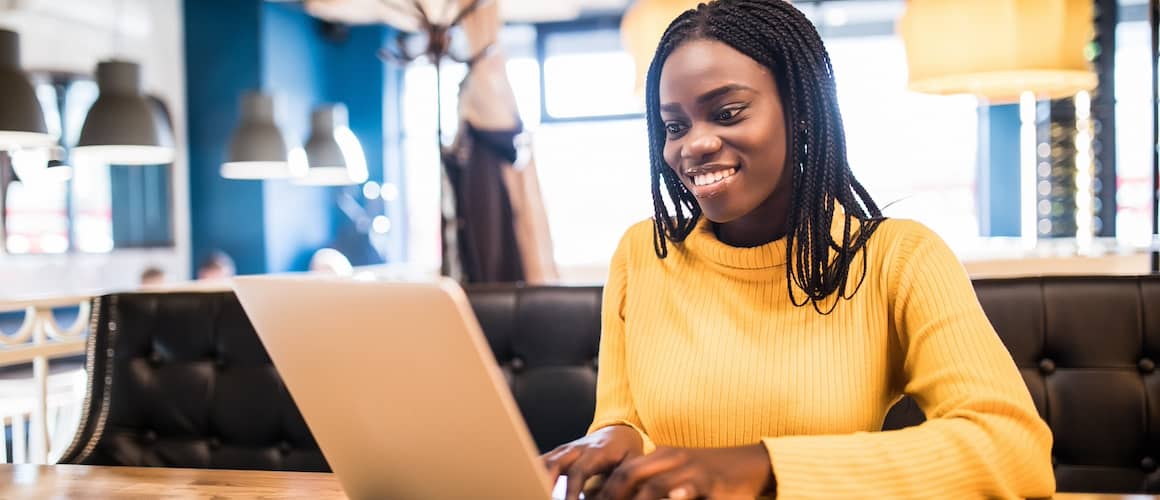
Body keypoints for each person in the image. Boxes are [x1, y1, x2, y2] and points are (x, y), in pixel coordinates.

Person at [541, 1, 1053, 499]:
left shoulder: (899, 258)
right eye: (675, 126)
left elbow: (1010, 447)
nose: (693, 144)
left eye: (727, 112)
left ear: (802, 111)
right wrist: (613, 438)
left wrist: (763, 467)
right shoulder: (641, 253)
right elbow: (623, 418)